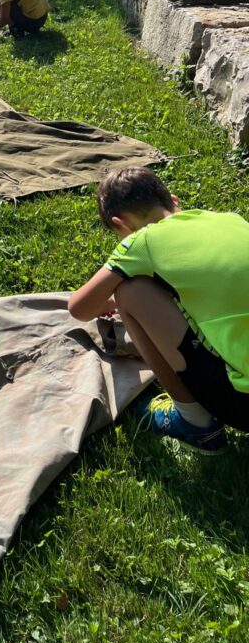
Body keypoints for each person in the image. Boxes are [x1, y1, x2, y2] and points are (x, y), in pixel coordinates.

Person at [68, 167, 249, 453]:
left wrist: (110, 301)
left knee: (130, 292)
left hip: (243, 402)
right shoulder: (231, 220)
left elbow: (79, 308)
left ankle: (196, 425)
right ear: (173, 200)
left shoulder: (142, 241)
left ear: (120, 223)